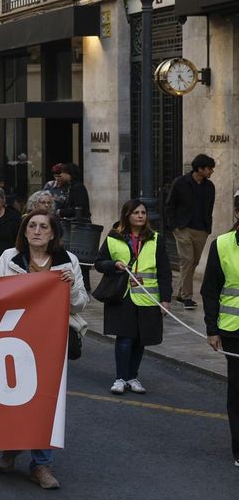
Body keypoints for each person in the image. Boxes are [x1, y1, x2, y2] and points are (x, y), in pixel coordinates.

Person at [0, 209, 89, 490]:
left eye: (43, 226)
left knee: (46, 400)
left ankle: (41, 464)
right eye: (32, 226)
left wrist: (70, 287)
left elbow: (80, 304)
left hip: (50, 340)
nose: (37, 231)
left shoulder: (68, 261)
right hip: (13, 339)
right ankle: (12, 446)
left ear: (53, 233)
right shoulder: (10, 258)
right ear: (24, 231)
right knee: (12, 395)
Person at [94, 199, 171, 395]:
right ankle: (120, 378)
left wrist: (166, 299)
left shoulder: (156, 239)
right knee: (125, 338)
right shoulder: (113, 237)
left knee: (140, 340)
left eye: (143, 213)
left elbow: (164, 271)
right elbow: (99, 263)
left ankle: (132, 377)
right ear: (127, 215)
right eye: (136, 212)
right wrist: (114, 265)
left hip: (147, 297)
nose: (140, 216)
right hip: (122, 294)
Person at [201, 192, 239, 467]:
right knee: (237, 391)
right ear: (237, 213)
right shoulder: (222, 244)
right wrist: (212, 329)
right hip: (233, 330)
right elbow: (210, 290)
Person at [167, 153, 216, 310]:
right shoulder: (180, 183)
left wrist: (208, 228)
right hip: (183, 229)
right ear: (200, 169)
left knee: (194, 262)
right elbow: (170, 205)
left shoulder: (210, 187)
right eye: (209, 168)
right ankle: (187, 297)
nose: (212, 172)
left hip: (201, 230)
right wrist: (174, 226)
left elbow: (209, 208)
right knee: (187, 260)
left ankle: (181, 293)